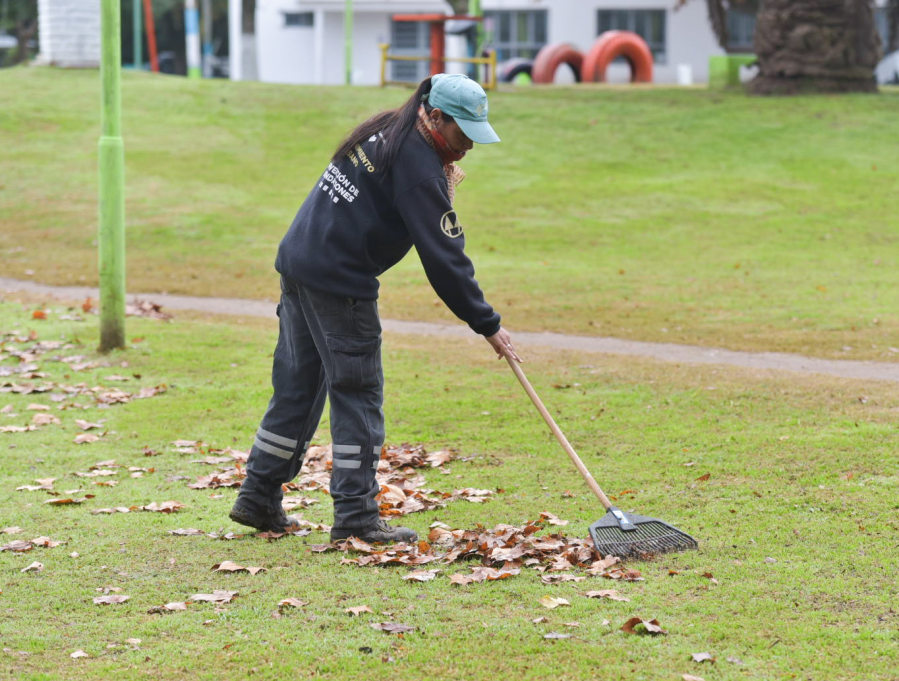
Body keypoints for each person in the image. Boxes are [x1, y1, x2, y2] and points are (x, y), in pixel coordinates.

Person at [229, 74, 521, 544]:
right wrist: (486, 323)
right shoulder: (418, 164)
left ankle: (258, 495)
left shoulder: (384, 129)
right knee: (358, 392)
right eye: (461, 132)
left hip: (300, 264)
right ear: (436, 115)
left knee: (298, 387)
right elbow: (444, 258)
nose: (467, 145)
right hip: (338, 282)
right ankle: (357, 515)